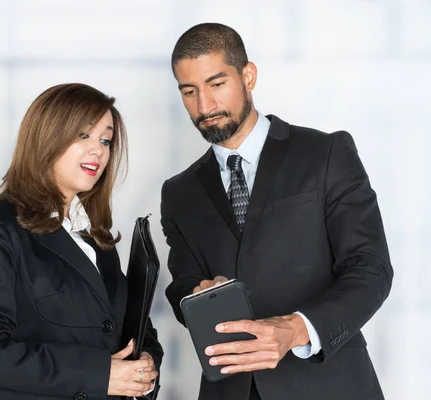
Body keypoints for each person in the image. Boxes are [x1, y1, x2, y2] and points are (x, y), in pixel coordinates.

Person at [161, 23, 393, 400]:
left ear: (248, 76)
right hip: (231, 389)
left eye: (216, 84)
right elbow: (183, 286)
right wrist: (198, 294)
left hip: (329, 384)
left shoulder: (326, 154)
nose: (204, 107)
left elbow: (371, 270)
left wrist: (296, 329)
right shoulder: (178, 192)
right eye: (189, 91)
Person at [0, 83, 163, 400]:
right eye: (84, 136)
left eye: (106, 140)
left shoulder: (96, 235)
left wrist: (147, 364)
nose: (99, 150)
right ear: (47, 137)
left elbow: (131, 327)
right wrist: (99, 375)